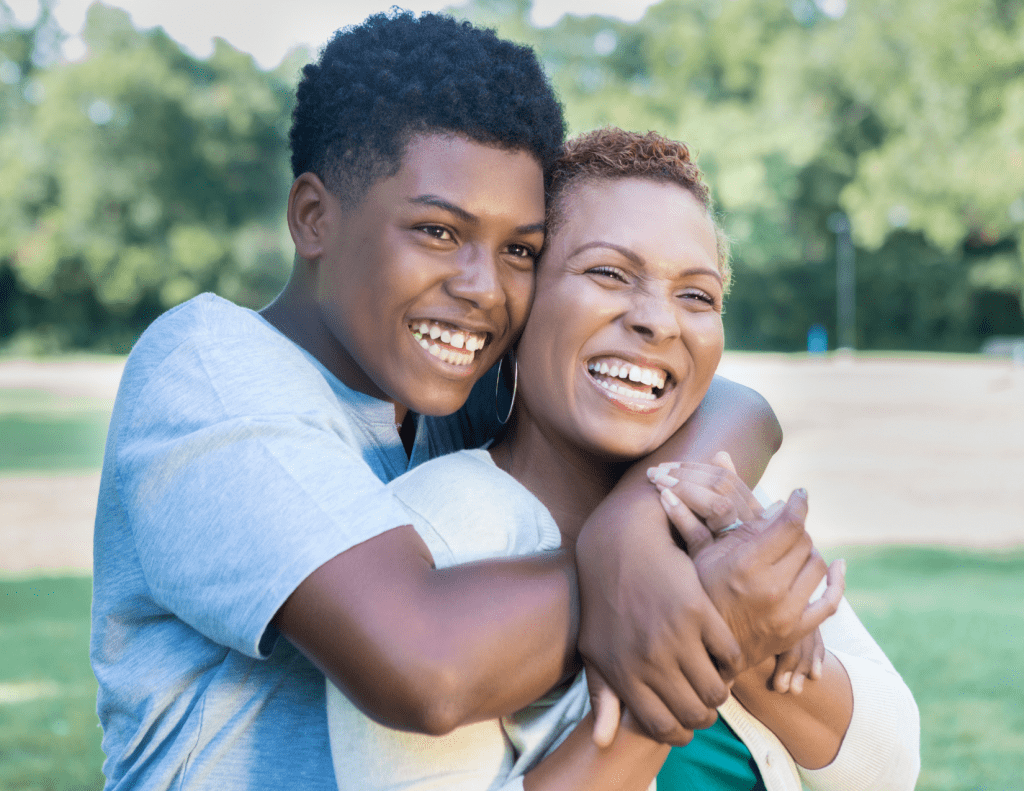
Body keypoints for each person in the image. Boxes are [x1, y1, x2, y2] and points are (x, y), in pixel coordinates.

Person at [90, 13, 780, 790]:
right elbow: (424, 662)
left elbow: (737, 404)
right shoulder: (210, 371)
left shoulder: (454, 385)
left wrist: (634, 525)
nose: (484, 289)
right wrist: (654, 573)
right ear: (314, 217)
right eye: (438, 232)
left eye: (520, 249)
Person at [325, 129, 920, 791]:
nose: (658, 321)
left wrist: (757, 651)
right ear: (518, 303)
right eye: (608, 272)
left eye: (696, 294)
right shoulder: (437, 532)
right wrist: (694, 663)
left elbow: (888, 767)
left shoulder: (724, 508)